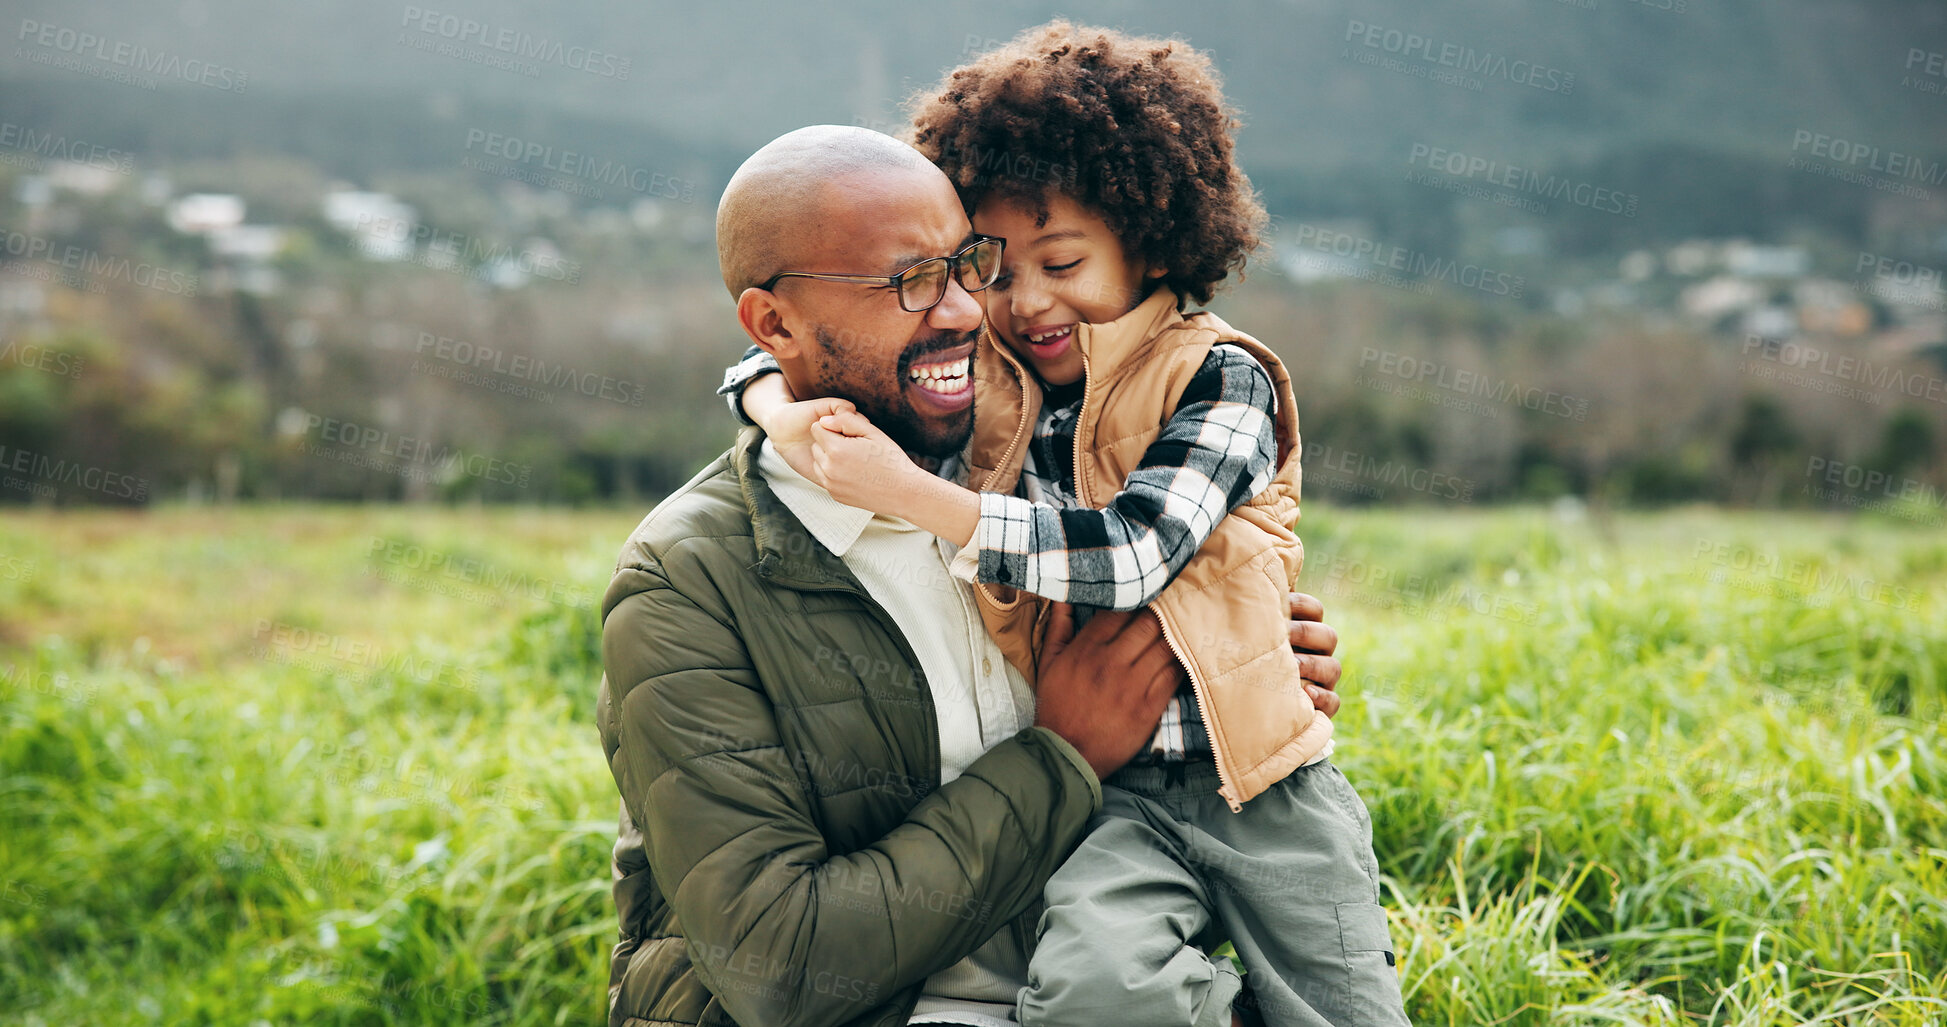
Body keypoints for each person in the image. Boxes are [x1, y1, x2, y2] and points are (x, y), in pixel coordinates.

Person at [723, 24, 1407, 1027]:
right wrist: (784, 415)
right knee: (1092, 993)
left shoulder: (1222, 377)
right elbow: (763, 360)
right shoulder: (1000, 391)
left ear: (1151, 236)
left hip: (1265, 790)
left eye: (1064, 262)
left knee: (1342, 1009)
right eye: (993, 271)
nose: (1025, 301)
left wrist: (917, 495)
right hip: (1112, 795)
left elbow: (1132, 554)